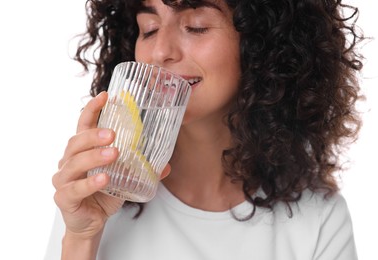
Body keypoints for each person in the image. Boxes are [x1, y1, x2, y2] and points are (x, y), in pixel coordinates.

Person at [45, 0, 365, 259]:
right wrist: (81, 238)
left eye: (195, 25)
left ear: (261, 43)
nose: (160, 52)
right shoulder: (95, 187)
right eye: (149, 28)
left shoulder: (318, 220)